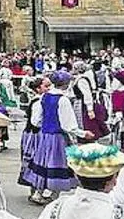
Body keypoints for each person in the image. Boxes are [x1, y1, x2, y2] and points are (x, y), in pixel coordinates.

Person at [23, 70, 91, 205]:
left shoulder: (44, 97)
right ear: (65, 84)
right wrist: (83, 133)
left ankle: (39, 192)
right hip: (58, 137)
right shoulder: (63, 100)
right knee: (59, 163)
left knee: (43, 162)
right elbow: (68, 125)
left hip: (45, 135)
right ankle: (55, 195)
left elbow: (36, 120)